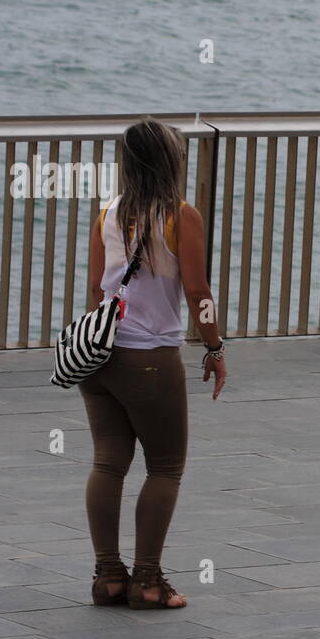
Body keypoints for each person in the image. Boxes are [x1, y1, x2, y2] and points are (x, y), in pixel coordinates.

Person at [80, 118, 228, 608]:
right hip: (149, 356)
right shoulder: (180, 216)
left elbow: (95, 290)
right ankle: (147, 581)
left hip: (101, 354)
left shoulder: (107, 213)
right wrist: (214, 346)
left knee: (108, 462)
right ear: (170, 162)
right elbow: (197, 291)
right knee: (165, 467)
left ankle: (108, 576)